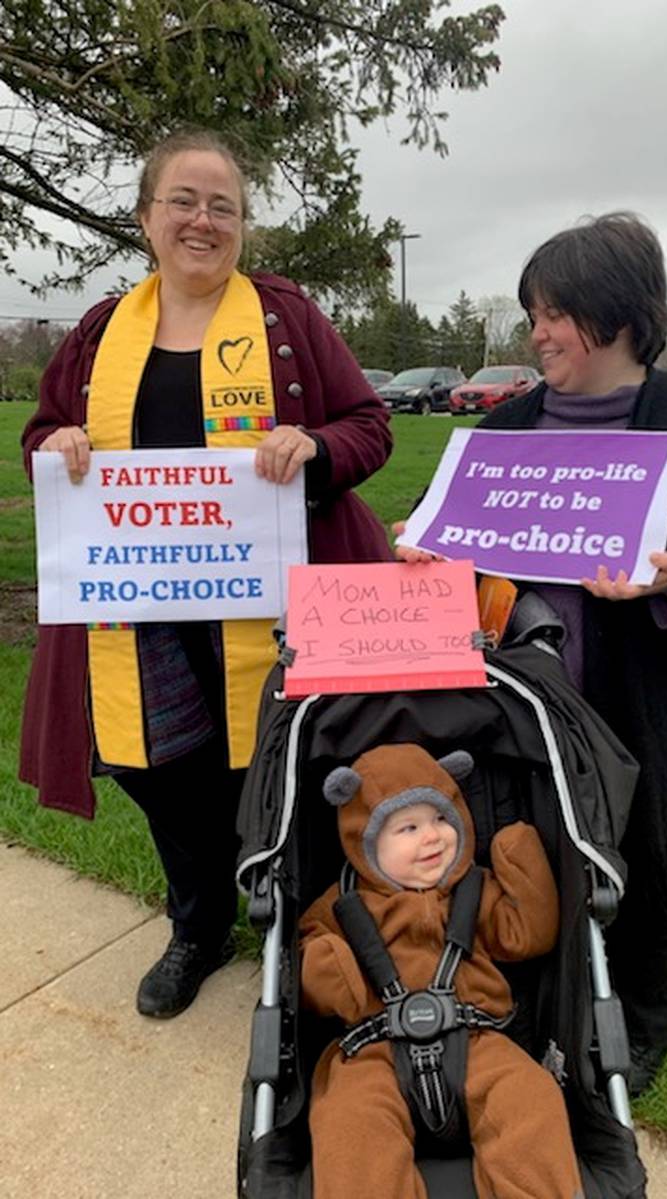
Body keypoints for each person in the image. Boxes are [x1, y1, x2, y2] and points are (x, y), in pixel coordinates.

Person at [396, 212, 667, 1095]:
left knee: (649, 874)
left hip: (646, 720)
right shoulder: (505, 428)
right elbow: (438, 524)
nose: (534, 332)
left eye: (553, 314)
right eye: (532, 312)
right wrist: (424, 545)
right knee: (532, 856)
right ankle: (542, 990)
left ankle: (648, 1022)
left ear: (617, 317)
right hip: (520, 709)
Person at [20, 127, 393, 1020]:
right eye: (182, 201)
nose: (202, 219)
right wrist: (59, 441)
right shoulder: (102, 330)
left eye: (222, 206)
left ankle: (296, 923)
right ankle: (199, 922)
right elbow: (40, 436)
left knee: (282, 767)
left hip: (272, 599)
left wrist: (315, 443)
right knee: (163, 768)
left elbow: (369, 424)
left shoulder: (286, 318)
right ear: (147, 218)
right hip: (138, 605)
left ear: (243, 225)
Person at [299, 743, 583, 1199]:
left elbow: (527, 934)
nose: (432, 837)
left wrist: (523, 865)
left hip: (476, 1038)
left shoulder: (475, 889)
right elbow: (309, 958)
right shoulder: (343, 906)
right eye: (408, 828)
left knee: (531, 1099)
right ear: (364, 841)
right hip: (373, 1048)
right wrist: (327, 969)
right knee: (348, 1125)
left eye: (441, 819)